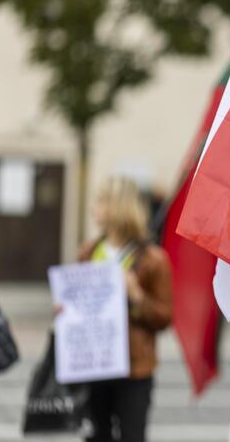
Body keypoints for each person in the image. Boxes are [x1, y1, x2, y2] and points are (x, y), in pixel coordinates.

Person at [76, 176, 172, 442]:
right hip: (94, 364)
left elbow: (164, 317)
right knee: (96, 435)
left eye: (101, 201)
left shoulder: (153, 260)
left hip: (134, 367)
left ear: (118, 206)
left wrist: (137, 296)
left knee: (132, 435)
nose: (94, 208)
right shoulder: (87, 253)